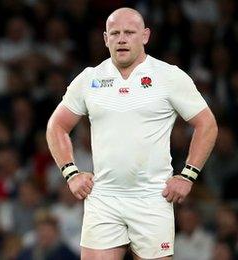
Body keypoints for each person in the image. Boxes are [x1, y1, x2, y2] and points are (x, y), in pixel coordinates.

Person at [45, 7, 217, 260]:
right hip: (104, 197)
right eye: (115, 33)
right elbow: (56, 126)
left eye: (129, 32)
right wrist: (71, 173)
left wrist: (187, 176)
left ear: (145, 36)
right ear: (105, 39)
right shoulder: (90, 79)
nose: (122, 38)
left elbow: (207, 124)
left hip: (152, 197)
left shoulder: (168, 76)